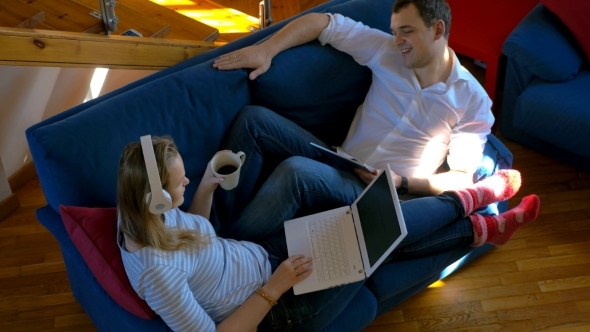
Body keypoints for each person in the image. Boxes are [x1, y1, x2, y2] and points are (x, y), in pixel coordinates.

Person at [116, 136, 539, 331]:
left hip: (260, 257)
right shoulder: (157, 274)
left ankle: (481, 226)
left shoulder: (139, 212)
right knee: (370, 243)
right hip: (275, 306)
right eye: (179, 182)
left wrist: (207, 184)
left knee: (365, 227)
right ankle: (473, 204)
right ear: (154, 197)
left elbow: (199, 233)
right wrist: (276, 287)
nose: (185, 181)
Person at [212, 0, 495, 227]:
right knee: (254, 121)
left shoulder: (470, 99)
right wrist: (266, 49)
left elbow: (461, 177)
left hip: (377, 193)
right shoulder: (386, 51)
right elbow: (325, 23)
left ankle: (227, 248)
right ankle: (213, 226)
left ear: (437, 30)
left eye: (406, 31)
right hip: (340, 160)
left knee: (296, 172)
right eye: (395, 31)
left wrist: (400, 182)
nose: (397, 41)